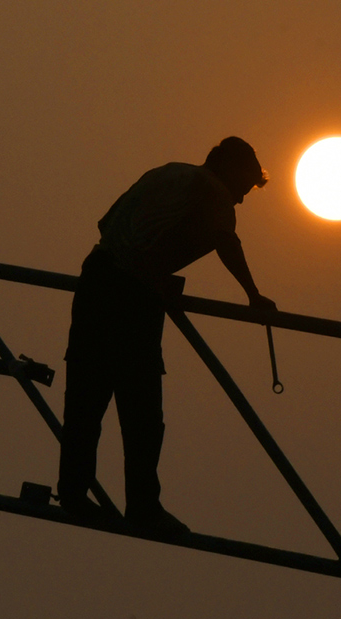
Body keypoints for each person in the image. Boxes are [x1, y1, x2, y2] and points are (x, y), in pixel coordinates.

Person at [57, 137, 276, 537]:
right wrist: (253, 294)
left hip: (97, 277)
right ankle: (143, 508)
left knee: (86, 397)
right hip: (132, 295)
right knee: (142, 410)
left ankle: (72, 494)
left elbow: (107, 224)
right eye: (243, 188)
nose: (241, 201)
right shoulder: (214, 190)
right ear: (228, 169)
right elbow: (227, 241)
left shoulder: (166, 172)